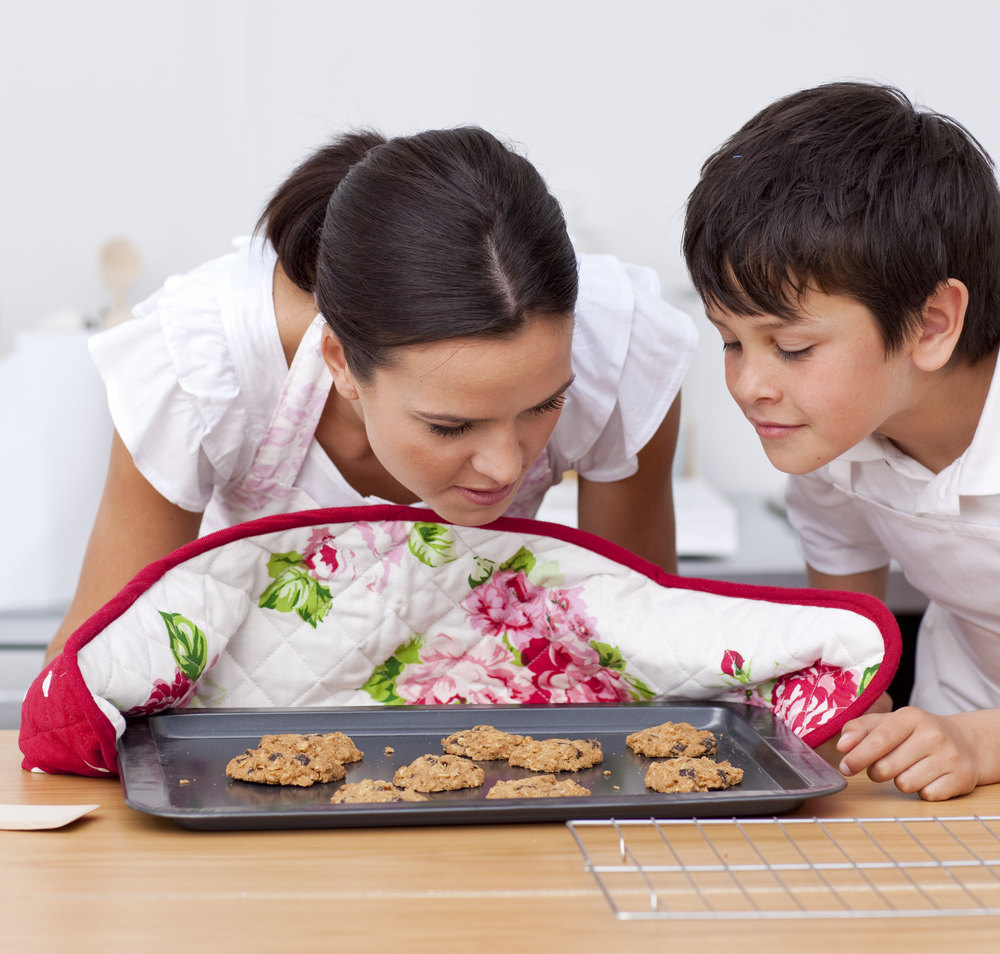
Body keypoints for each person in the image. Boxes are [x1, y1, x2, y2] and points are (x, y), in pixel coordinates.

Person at [46, 126, 696, 663]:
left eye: (543, 405)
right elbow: (94, 667)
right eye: (449, 426)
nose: (506, 465)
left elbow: (640, 656)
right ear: (342, 364)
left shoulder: (617, 345)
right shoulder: (208, 365)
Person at [682, 82, 1000, 801]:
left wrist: (981, 741)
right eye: (732, 342)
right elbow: (849, 647)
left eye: (791, 347)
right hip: (949, 762)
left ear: (930, 323)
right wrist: (840, 712)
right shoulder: (834, 444)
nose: (749, 385)